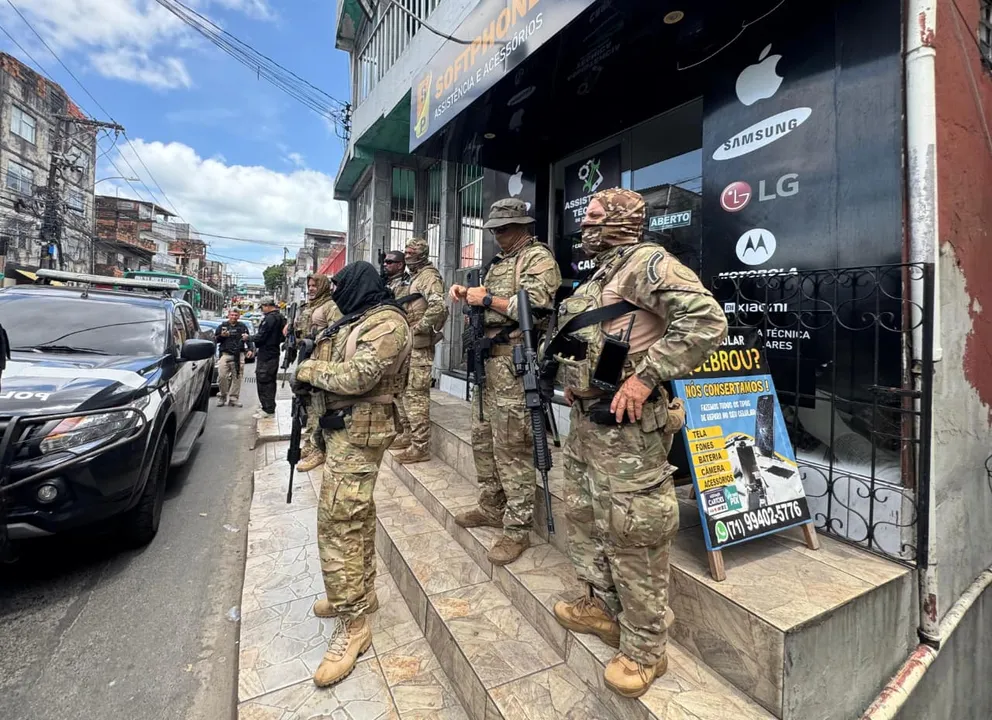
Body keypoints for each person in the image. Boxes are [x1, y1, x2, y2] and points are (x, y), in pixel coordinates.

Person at [549, 188, 727, 698]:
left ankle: (647, 648)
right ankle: (604, 608)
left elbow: (708, 321)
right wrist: (577, 378)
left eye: (595, 217)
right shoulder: (606, 270)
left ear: (622, 221)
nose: (584, 224)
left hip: (629, 432)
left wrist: (646, 378)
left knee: (636, 532)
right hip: (589, 425)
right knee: (586, 518)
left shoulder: (647, 263)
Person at [291, 261, 411, 688]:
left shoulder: (388, 323)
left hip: (361, 434)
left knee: (338, 523)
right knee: (355, 519)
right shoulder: (356, 318)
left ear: (361, 285)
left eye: (342, 284)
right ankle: (360, 595)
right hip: (343, 431)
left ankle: (353, 625)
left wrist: (306, 371)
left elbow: (360, 376)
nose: (335, 291)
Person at [449, 198, 562, 566]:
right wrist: (470, 300)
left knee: (514, 448)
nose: (498, 236)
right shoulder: (500, 262)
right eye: (495, 229)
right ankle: (491, 505)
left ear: (523, 226)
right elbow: (490, 305)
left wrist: (488, 299)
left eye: (505, 229)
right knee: (483, 440)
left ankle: (517, 529)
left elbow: (536, 305)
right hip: (488, 366)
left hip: (514, 368)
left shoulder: (537, 259)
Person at [391, 238, 448, 464]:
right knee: (403, 392)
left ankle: (420, 447)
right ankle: (407, 435)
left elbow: (439, 307)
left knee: (416, 397)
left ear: (422, 254)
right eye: (405, 251)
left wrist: (420, 327)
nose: (406, 255)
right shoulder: (414, 277)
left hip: (419, 347)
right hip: (407, 346)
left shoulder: (428, 277)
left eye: (411, 251)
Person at [295, 275, 343, 472]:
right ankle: (309, 444)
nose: (312, 288)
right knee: (307, 405)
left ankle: (318, 449)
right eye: (309, 285)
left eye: (315, 285)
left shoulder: (331, 306)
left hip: (321, 363)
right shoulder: (309, 305)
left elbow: (337, 331)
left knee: (317, 407)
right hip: (308, 358)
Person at [382, 250, 412, 446]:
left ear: (400, 265)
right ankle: (399, 428)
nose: (386, 265)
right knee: (391, 388)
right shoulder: (386, 283)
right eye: (385, 262)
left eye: (390, 262)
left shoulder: (406, 284)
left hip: (404, 340)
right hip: (390, 340)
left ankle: (407, 431)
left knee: (403, 390)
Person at [250, 298, 286, 419]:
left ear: (266, 306)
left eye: (262, 307)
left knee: (264, 380)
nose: (262, 310)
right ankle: (268, 407)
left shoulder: (270, 319)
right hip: (273, 352)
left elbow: (261, 336)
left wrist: (249, 338)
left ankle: (268, 408)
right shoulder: (281, 318)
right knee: (269, 380)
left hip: (266, 354)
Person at [214, 308, 254, 407]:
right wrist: (222, 336)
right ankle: (222, 396)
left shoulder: (242, 326)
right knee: (222, 376)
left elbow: (248, 338)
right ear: (228, 315)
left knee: (237, 377)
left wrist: (250, 349)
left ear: (239, 316)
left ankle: (233, 398)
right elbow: (216, 340)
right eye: (232, 315)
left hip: (239, 354)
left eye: (236, 315)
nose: (234, 317)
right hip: (225, 354)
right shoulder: (222, 326)